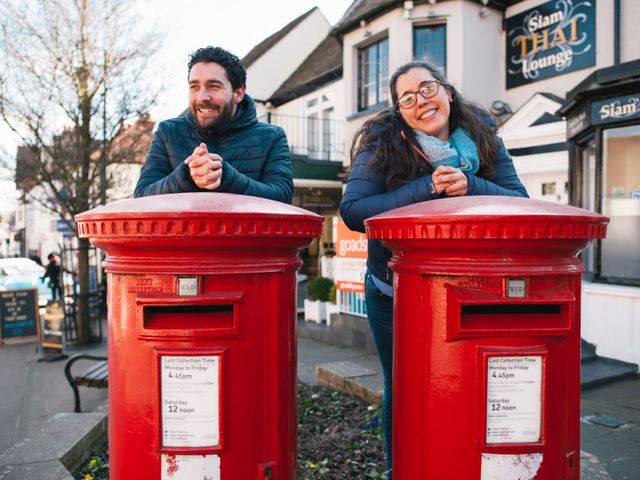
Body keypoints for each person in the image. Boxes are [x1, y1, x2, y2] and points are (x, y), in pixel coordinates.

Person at [339, 61, 528, 477]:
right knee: (402, 388)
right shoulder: (383, 143)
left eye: (427, 89)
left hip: (471, 291)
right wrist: (427, 188)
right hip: (393, 294)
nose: (421, 101)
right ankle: (400, 469)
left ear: (447, 92)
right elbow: (353, 211)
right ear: (398, 112)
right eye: (407, 98)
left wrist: (470, 184)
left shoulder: (482, 134)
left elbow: (520, 199)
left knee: (466, 385)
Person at [134, 46, 293, 203]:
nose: (202, 97)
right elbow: (142, 195)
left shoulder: (272, 137)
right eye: (194, 87)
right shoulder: (167, 132)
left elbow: (282, 197)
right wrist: (186, 175)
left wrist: (227, 178)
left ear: (238, 93)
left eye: (214, 86)